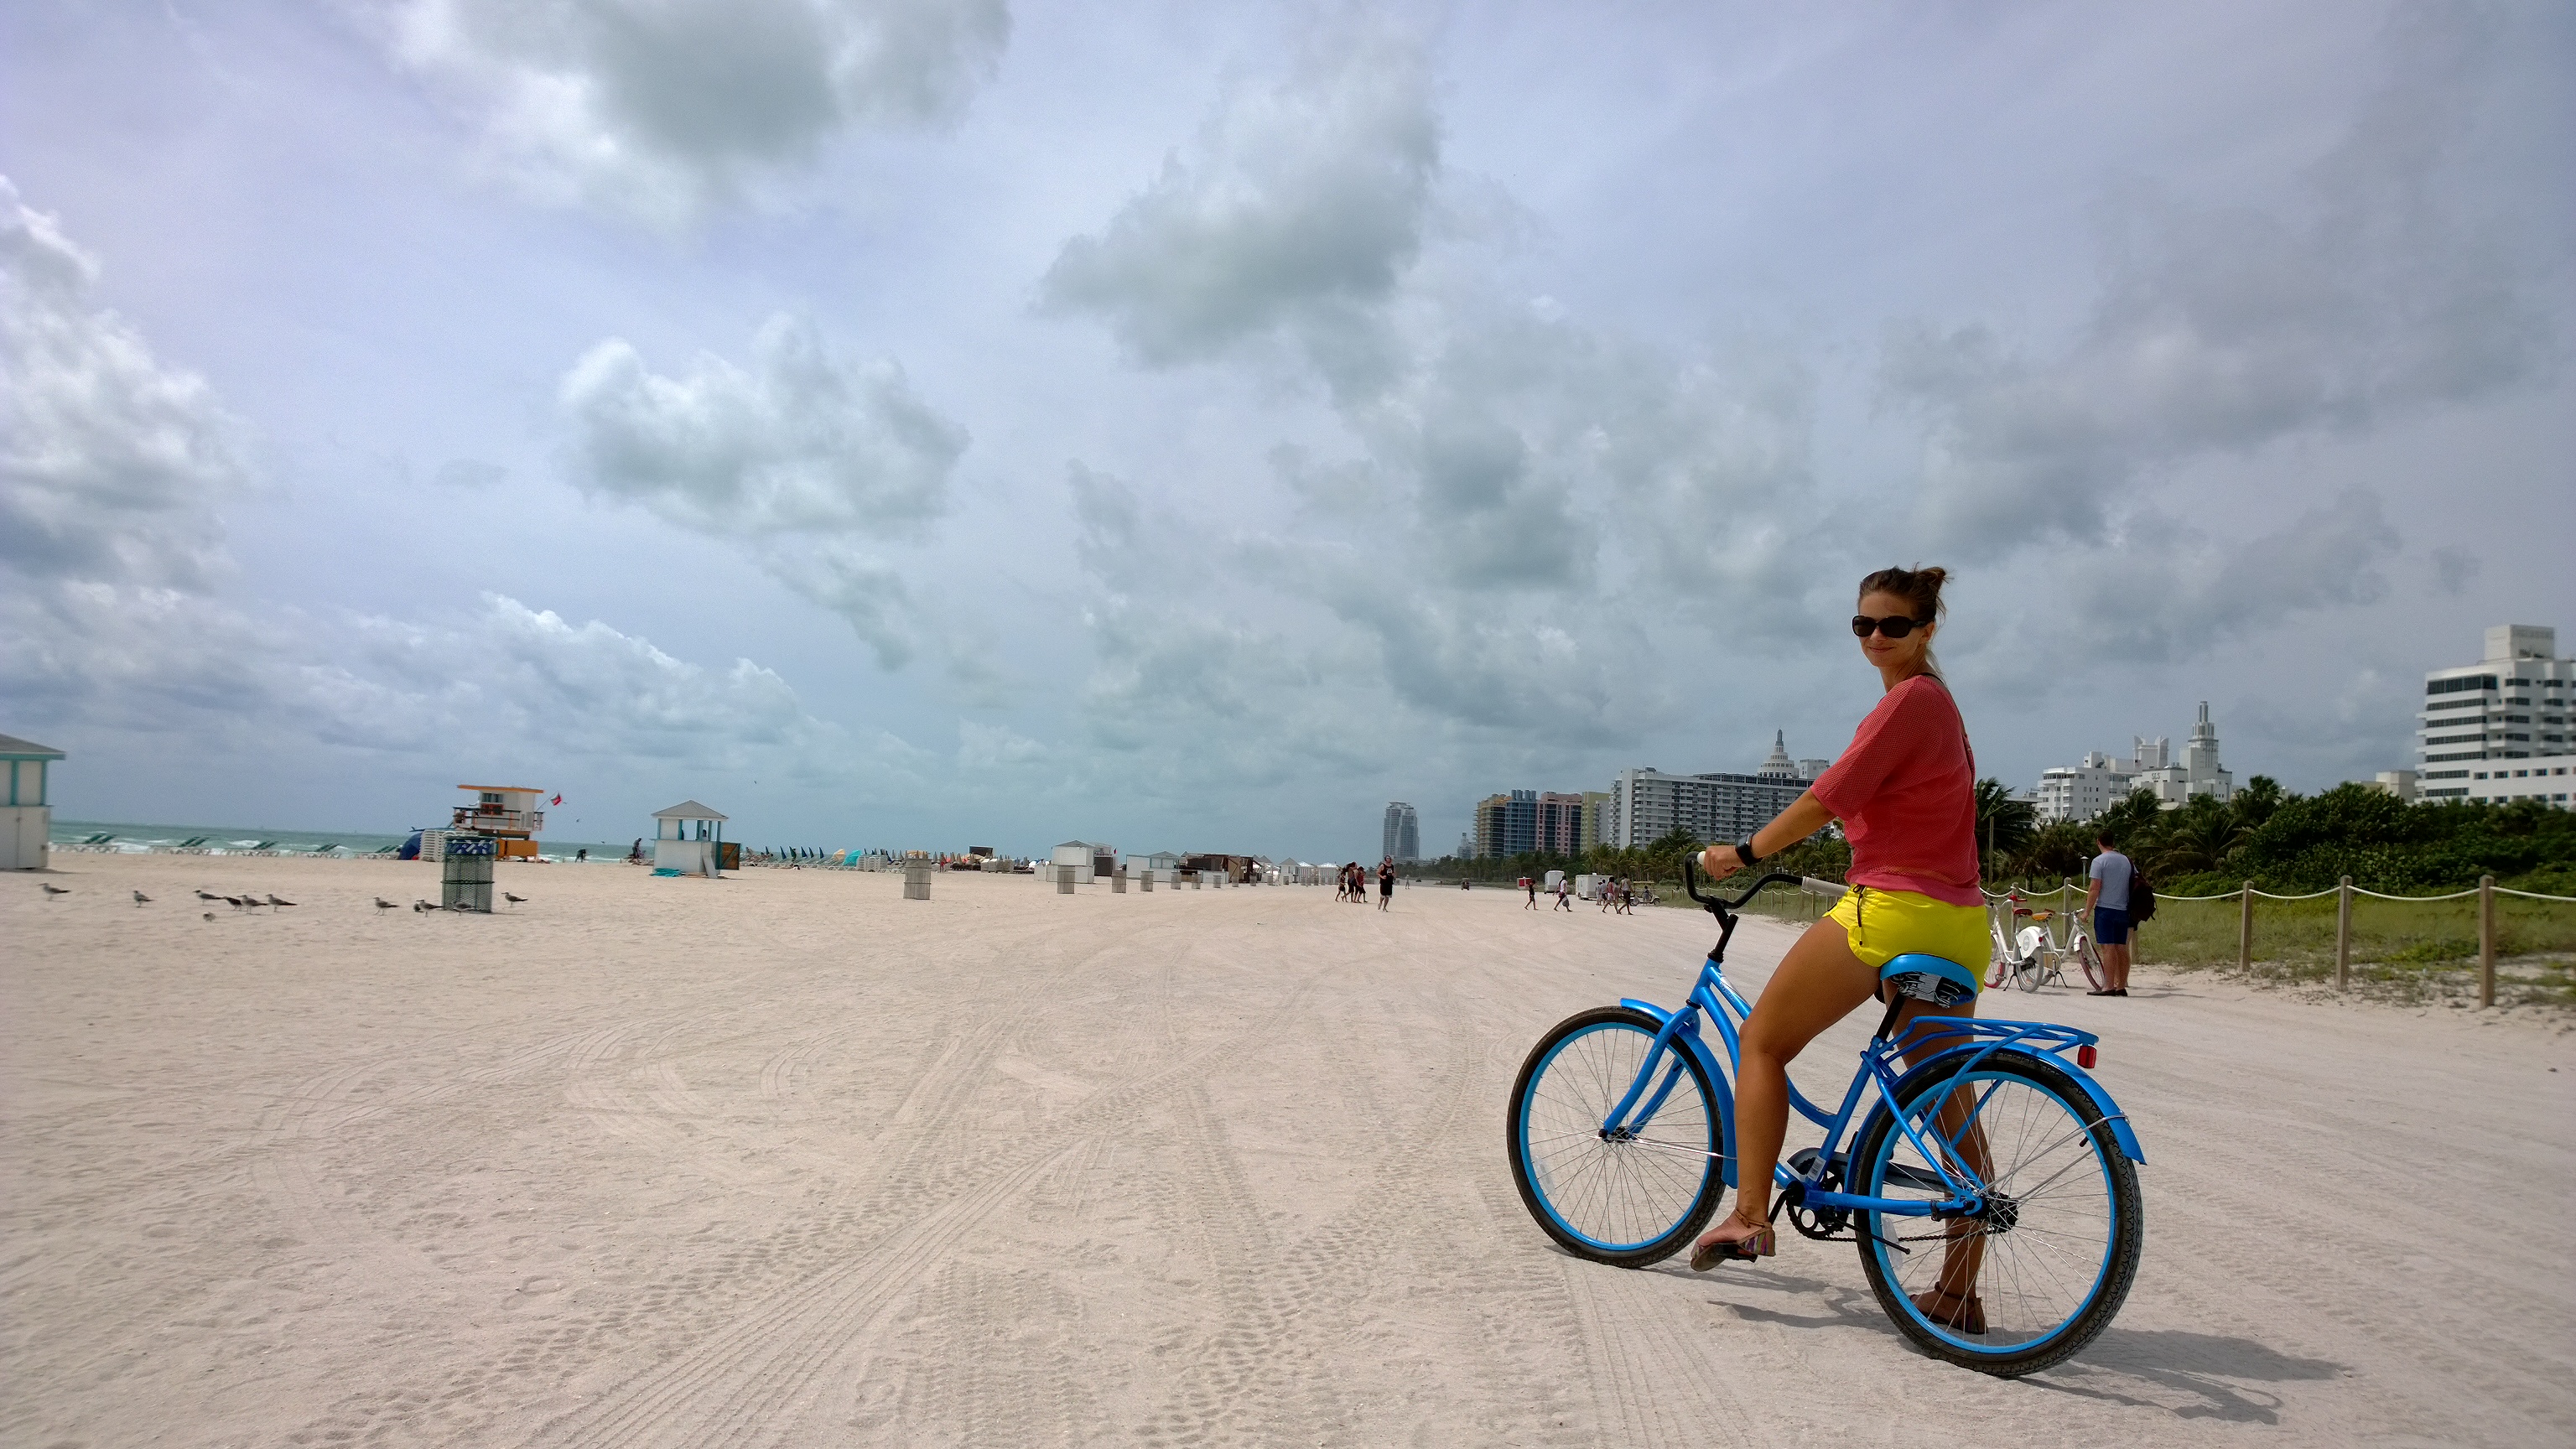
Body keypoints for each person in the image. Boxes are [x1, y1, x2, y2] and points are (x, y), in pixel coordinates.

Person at [1684, 565, 1992, 1336]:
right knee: (1942, 1095)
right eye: (1863, 627)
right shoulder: (1942, 710)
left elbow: (1831, 796)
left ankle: (1750, 1215)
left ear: (1926, 631)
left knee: (1762, 1041)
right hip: (1958, 923)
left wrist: (1742, 854)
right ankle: (1959, 1293)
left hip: (1891, 913)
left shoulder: (1912, 701)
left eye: (1892, 625)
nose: (1876, 638)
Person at [2085, 831, 2134, 997]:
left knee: (2108, 948)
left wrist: (2086, 911)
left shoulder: (2099, 861)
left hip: (2105, 909)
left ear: (2098, 842)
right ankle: (2121, 985)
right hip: (2123, 909)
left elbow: (2094, 888)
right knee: (2121, 948)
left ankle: (2108, 986)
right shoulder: (2127, 860)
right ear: (2113, 843)